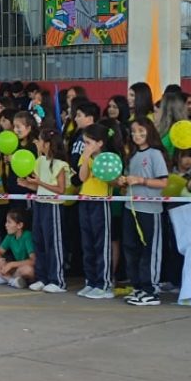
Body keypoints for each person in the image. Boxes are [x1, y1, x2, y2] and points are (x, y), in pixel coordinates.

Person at [119, 119, 168, 306]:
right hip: (130, 207)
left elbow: (163, 182)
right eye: (133, 132)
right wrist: (123, 181)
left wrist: (141, 180)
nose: (136, 135)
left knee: (150, 249)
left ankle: (151, 289)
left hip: (149, 209)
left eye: (141, 131)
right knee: (131, 248)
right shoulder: (131, 155)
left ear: (149, 131)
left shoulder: (155, 154)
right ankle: (138, 286)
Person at [19, 128, 70, 293]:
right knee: (39, 240)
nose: (37, 143)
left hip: (53, 205)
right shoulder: (40, 161)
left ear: (47, 144)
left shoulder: (60, 164)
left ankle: (58, 280)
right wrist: (27, 184)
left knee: (53, 242)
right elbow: (38, 187)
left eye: (40, 140)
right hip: (39, 203)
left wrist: (39, 182)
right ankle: (42, 277)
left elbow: (60, 189)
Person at [76, 124, 120, 299]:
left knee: (101, 243)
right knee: (87, 244)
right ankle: (91, 281)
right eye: (84, 142)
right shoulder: (85, 157)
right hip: (85, 200)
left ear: (100, 143)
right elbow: (82, 177)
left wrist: (108, 175)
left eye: (88, 142)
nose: (85, 146)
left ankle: (104, 283)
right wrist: (86, 157)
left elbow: (113, 181)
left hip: (101, 202)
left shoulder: (109, 158)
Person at [0, 209, 36, 288]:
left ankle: (4, 278)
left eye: (9, 222)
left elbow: (33, 261)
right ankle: (11, 280)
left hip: (23, 268)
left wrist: (11, 264)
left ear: (19, 225)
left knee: (28, 270)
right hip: (15, 269)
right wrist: (0, 260)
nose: (6, 225)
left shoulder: (27, 236)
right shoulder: (10, 236)